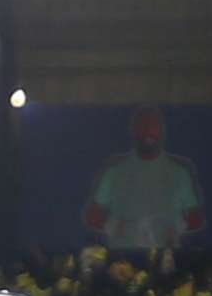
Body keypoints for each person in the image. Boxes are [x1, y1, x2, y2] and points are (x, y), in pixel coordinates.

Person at [83, 104, 204, 249]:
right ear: (133, 131)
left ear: (162, 131)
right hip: (123, 263)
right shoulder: (114, 173)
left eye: (153, 126)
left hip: (166, 262)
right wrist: (113, 225)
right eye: (143, 126)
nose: (148, 131)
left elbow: (197, 218)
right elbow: (92, 216)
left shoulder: (180, 173)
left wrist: (178, 226)